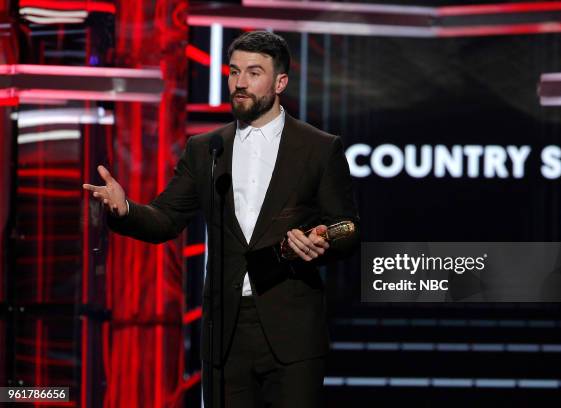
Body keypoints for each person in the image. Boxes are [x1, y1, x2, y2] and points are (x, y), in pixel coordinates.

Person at [83, 30, 359, 407]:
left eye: (253, 72)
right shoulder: (206, 149)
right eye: (234, 72)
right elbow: (165, 218)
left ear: (280, 82)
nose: (240, 83)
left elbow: (348, 228)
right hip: (224, 331)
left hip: (292, 332)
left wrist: (322, 239)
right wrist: (126, 208)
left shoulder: (319, 148)